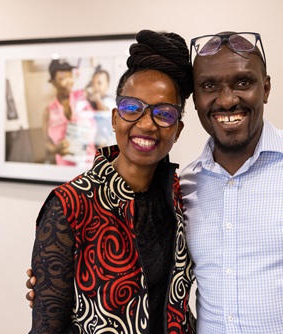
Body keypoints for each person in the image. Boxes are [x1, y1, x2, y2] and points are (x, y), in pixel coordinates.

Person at [28, 31, 283, 333]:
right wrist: (53, 280)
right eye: (210, 86)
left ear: (265, 87)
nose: (227, 99)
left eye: (243, 82)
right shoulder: (186, 189)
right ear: (196, 101)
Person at [28, 29, 195, 334]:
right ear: (116, 117)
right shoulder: (70, 205)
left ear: (178, 129)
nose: (146, 124)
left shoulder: (181, 198)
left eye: (164, 114)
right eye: (133, 108)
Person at [42, 58, 96, 166]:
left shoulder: (83, 97)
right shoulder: (48, 111)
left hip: (89, 164)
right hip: (65, 167)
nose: (68, 81)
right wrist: (56, 149)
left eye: (69, 76)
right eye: (62, 78)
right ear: (52, 82)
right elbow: (46, 143)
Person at [85, 65, 117, 148]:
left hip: (108, 141)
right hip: (95, 140)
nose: (96, 87)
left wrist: (97, 100)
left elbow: (105, 111)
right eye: (93, 83)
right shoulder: (91, 101)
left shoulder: (109, 101)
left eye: (99, 83)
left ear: (107, 85)